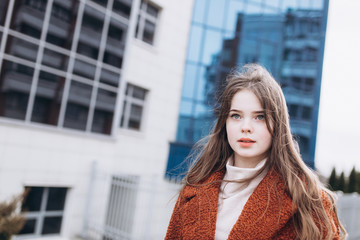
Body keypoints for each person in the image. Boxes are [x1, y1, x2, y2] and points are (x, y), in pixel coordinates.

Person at [165, 63, 346, 240]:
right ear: (224, 123)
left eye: (259, 117)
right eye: (236, 116)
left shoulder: (308, 198)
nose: (246, 127)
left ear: (277, 124)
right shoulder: (195, 188)